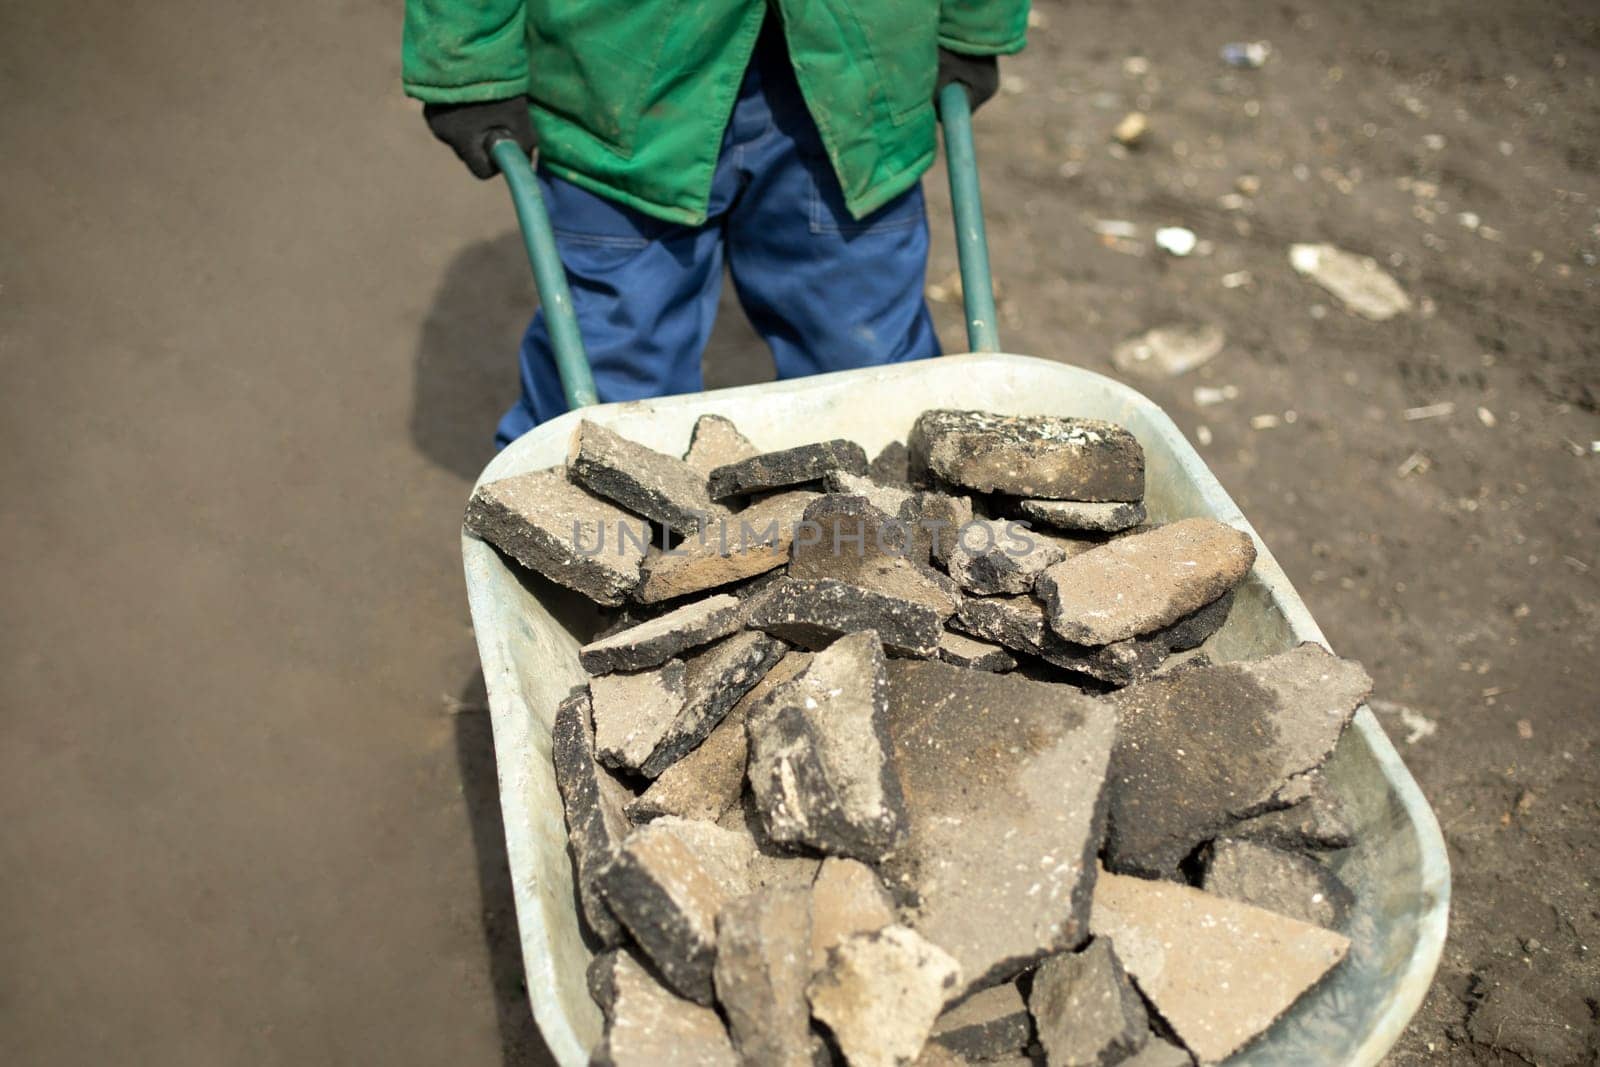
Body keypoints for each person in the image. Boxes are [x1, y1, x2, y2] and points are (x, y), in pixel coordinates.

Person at [402, 0, 1028, 446]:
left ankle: (881, 578)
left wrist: (975, 19)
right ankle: (606, 587)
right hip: (618, 84)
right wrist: (466, 58)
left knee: (873, 377)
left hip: (860, 82)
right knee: (612, 385)